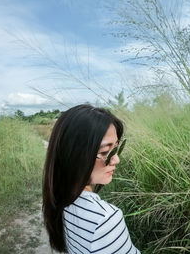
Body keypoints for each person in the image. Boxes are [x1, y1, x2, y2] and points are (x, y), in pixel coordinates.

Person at [42, 104, 141, 254]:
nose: (116, 160)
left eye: (117, 148)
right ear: (74, 155)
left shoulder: (59, 196)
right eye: (105, 151)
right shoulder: (105, 219)